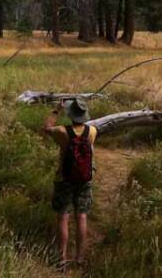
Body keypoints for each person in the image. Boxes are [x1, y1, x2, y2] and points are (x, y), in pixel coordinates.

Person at [43, 97, 98, 271]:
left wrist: (56, 110)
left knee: (63, 217)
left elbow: (45, 128)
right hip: (85, 179)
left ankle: (62, 259)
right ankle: (80, 259)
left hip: (64, 179)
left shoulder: (62, 132)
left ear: (71, 114)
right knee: (82, 216)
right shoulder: (92, 131)